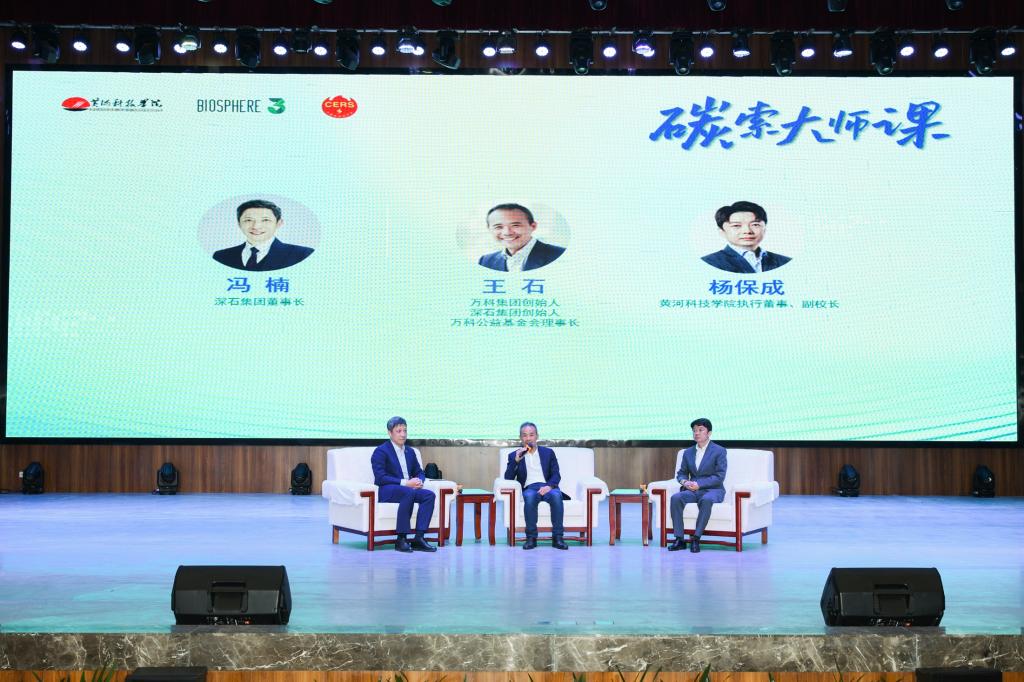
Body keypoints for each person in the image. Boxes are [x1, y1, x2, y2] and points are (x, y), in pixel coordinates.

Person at [370, 417, 437, 553]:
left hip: (408, 489)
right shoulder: (381, 451)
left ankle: (419, 538)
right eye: (399, 431)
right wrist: (406, 483)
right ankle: (401, 539)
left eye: (405, 431)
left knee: (429, 495)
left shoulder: (410, 451)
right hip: (388, 490)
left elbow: (419, 471)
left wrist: (419, 481)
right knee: (409, 492)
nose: (403, 434)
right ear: (390, 433)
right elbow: (380, 478)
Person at [503, 422, 569, 550]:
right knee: (530, 497)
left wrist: (549, 486)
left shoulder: (548, 453)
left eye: (531, 435)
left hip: (548, 486)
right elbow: (508, 478)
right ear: (520, 438)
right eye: (525, 435)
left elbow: (556, 474)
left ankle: (558, 538)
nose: (528, 438)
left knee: (556, 496)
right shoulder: (514, 455)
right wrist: (516, 461)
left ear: (537, 436)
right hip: (530, 488)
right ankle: (531, 538)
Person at [668, 418, 727, 554]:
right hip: (692, 490)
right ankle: (679, 539)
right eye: (694, 430)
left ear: (709, 433)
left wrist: (699, 484)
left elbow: (720, 476)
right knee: (676, 498)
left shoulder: (719, 451)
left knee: (706, 500)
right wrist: (685, 482)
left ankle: (696, 538)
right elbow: (681, 473)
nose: (696, 433)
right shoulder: (688, 452)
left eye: (700, 430)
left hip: (713, 490)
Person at [213, 199, 314, 271]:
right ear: (239, 224)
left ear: (279, 223)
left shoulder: (303, 254)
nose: (256, 226)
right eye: (248, 220)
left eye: (265, 220)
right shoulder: (221, 256)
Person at [701, 201, 791, 273]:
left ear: (764, 229)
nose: (747, 231)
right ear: (722, 232)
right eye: (736, 225)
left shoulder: (785, 262)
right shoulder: (708, 263)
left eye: (755, 224)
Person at [478, 203, 565, 272]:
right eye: (498, 227)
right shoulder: (485, 261)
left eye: (515, 225)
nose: (507, 232)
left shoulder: (560, 255)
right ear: (489, 229)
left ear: (533, 226)